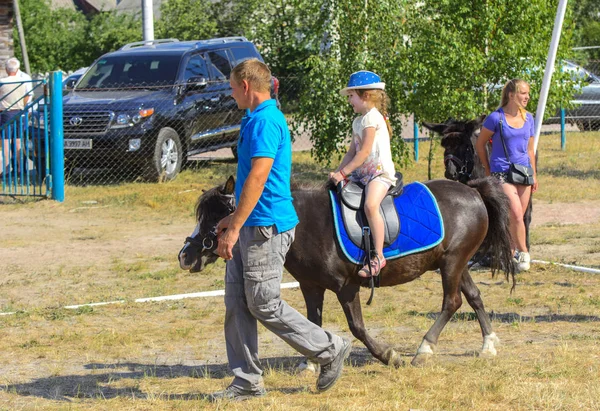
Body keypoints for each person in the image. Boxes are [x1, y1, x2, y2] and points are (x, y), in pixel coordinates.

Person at [211, 58, 351, 402]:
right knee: (237, 302)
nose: (231, 95)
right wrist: (232, 221)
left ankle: (329, 348)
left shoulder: (266, 122)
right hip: (250, 224)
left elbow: (259, 178)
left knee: (264, 303)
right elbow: (249, 178)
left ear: (246, 86)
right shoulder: (255, 118)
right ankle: (247, 381)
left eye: (232, 88)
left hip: (265, 227)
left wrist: (234, 228)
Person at [329, 70, 397, 278]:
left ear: (365, 95)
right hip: (362, 175)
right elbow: (351, 152)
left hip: (379, 174)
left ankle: (378, 256)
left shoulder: (372, 119)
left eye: (351, 96)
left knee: (370, 205)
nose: (349, 101)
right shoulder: (358, 121)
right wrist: (338, 172)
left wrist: (344, 173)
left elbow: (364, 152)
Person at [475, 79, 538, 272]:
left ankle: (509, 255)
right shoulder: (496, 118)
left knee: (514, 218)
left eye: (528, 94)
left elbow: (529, 150)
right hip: (502, 172)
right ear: (511, 95)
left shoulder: (529, 119)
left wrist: (534, 175)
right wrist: (487, 168)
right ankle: (525, 253)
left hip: (524, 172)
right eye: (523, 93)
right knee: (517, 214)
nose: (527, 97)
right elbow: (480, 144)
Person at [0, 58, 30, 177]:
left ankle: (7, 170)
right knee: (18, 142)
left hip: (5, 113)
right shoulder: (22, 81)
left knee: (6, 142)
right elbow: (27, 96)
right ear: (17, 69)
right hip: (19, 112)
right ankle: (20, 169)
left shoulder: (2, 81)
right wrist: (22, 104)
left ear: (7, 69)